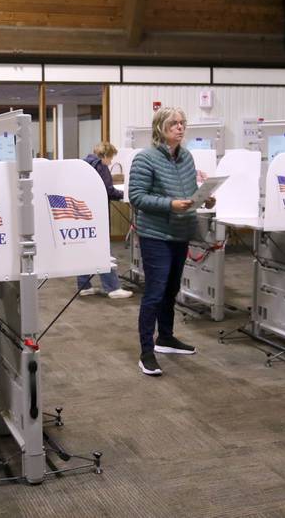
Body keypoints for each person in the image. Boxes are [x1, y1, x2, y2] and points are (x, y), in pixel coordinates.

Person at [128, 107, 215, 376]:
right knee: (155, 291)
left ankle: (165, 337)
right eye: (174, 123)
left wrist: (203, 198)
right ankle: (146, 351)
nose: (180, 127)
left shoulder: (187, 157)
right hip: (156, 234)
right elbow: (137, 197)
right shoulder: (145, 158)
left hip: (180, 232)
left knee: (171, 288)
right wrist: (170, 204)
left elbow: (187, 192)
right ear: (160, 127)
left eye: (182, 123)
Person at [77, 141, 133, 300]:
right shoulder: (101, 166)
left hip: (84, 213)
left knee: (86, 248)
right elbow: (107, 190)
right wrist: (125, 194)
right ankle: (112, 287)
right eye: (111, 158)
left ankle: (84, 286)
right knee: (102, 249)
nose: (111, 162)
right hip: (97, 213)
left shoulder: (84, 164)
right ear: (105, 155)